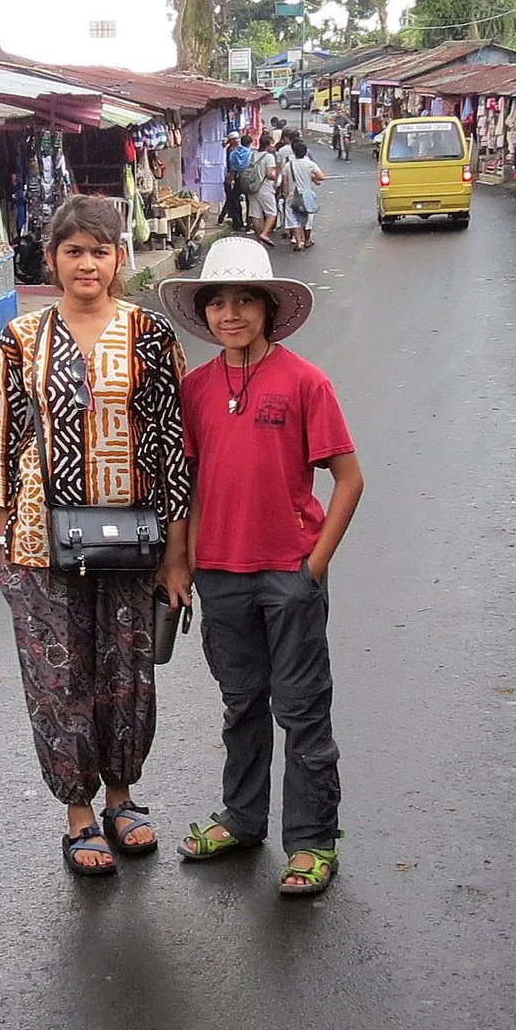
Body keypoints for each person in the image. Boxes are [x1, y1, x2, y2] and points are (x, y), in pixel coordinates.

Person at [0, 195, 196, 878]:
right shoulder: (22, 340)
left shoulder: (151, 335)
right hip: (42, 542)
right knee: (57, 676)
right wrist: (5, 538)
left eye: (100, 251)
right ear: (52, 259)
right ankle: (78, 813)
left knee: (124, 670)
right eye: (73, 250)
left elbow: (173, 446)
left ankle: (122, 797)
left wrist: (177, 554)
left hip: (133, 539)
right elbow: (0, 439)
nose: (87, 263)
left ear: (118, 259)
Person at [156, 237, 364, 896]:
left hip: (288, 575)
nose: (232, 313)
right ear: (206, 312)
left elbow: (349, 478)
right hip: (219, 576)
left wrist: (315, 563)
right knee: (240, 705)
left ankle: (312, 840)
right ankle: (243, 818)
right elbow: (183, 482)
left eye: (246, 299)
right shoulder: (194, 389)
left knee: (302, 710)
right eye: (219, 301)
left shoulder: (305, 382)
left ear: (269, 308)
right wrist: (178, 561)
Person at [278, 137, 325, 250]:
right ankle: (307, 240)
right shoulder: (309, 164)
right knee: (308, 219)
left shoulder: (288, 165)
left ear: (294, 152)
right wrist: (312, 178)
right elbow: (321, 177)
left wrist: (285, 194)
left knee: (294, 220)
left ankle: (299, 242)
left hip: (292, 195)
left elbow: (285, 182)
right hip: (306, 195)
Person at [247, 138, 283, 244]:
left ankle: (259, 239)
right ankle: (265, 233)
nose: (273, 147)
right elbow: (269, 174)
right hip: (265, 187)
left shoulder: (253, 155)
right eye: (272, 144)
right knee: (272, 213)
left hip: (253, 187)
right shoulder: (269, 157)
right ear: (267, 145)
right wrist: (276, 174)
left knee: (255, 214)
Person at [221, 132, 249, 230]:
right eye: (234, 139)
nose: (236, 140)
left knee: (233, 200)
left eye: (237, 138)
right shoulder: (229, 151)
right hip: (235, 178)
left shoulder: (237, 152)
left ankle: (241, 223)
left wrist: (231, 177)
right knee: (233, 201)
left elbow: (233, 168)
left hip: (237, 178)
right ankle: (239, 223)